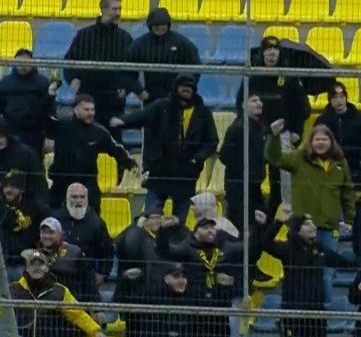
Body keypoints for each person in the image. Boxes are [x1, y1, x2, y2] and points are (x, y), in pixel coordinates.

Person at [263, 206, 352, 337]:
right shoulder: (288, 248)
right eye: (306, 224)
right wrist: (278, 222)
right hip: (292, 315)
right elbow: (265, 243)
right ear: (297, 229)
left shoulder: (319, 248)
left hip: (316, 315)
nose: (312, 226)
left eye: (313, 223)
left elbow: (342, 262)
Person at [266, 119, 354, 301]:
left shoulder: (341, 163)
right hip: (301, 228)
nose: (321, 143)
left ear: (331, 142)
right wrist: (274, 137)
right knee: (298, 273)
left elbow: (347, 192)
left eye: (324, 139)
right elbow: (274, 158)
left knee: (327, 274)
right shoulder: (298, 158)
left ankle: (324, 310)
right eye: (317, 139)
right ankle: (299, 309)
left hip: (330, 227)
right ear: (311, 142)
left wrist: (349, 219)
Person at [113, 74, 218, 222]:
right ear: (176, 88)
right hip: (160, 172)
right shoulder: (161, 106)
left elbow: (212, 141)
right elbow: (141, 116)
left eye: (190, 87)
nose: (187, 90)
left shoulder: (202, 112)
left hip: (186, 175)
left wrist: (197, 159)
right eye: (183, 86)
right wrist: (122, 121)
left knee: (179, 221)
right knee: (150, 216)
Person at [236, 36, 312, 212]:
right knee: (253, 175)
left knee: (282, 179)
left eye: (275, 49)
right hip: (256, 134)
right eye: (268, 50)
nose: (271, 53)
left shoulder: (290, 78)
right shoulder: (252, 76)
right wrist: (246, 128)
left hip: (282, 136)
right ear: (262, 54)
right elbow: (241, 104)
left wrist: (296, 132)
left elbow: (302, 108)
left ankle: (284, 215)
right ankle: (255, 213)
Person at [62, 0, 141, 143]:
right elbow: (70, 61)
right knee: (84, 141)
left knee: (113, 142)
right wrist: (72, 78)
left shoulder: (125, 38)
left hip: (114, 100)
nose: (118, 13)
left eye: (120, 9)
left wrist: (126, 88)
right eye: (114, 9)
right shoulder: (84, 35)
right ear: (103, 9)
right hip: (87, 96)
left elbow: (133, 69)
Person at [46, 94, 137, 211]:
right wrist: (49, 97)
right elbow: (44, 119)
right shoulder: (62, 126)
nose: (90, 113)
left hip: (88, 181)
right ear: (75, 110)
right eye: (86, 109)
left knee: (93, 212)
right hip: (61, 181)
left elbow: (117, 149)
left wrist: (131, 164)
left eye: (92, 109)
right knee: (53, 212)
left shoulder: (99, 132)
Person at [315, 82, 361, 258]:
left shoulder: (359, 119)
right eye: (335, 97)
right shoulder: (323, 121)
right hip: (329, 176)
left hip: (356, 175)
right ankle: (325, 253)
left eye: (342, 97)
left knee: (359, 216)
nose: (339, 101)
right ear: (330, 100)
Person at [0, 48, 58, 154]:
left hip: (35, 132)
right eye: (20, 62)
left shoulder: (43, 83)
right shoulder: (6, 83)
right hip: (11, 131)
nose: (23, 66)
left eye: (26, 62)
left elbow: (50, 110)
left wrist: (51, 136)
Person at [125, 7, 201, 104]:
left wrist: (185, 88)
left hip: (176, 98)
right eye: (156, 25)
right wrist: (139, 90)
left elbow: (195, 67)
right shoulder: (141, 45)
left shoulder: (181, 43)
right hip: (150, 97)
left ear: (168, 24)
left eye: (163, 25)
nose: (160, 28)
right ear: (150, 26)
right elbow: (126, 70)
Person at [219, 93, 267, 232]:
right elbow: (224, 155)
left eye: (260, 100)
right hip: (238, 185)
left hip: (255, 183)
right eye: (254, 100)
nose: (259, 103)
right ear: (243, 105)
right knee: (238, 223)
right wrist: (243, 170)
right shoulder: (238, 127)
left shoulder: (261, 128)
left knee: (257, 223)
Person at [51, 183, 113, 287]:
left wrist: (103, 273)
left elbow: (107, 251)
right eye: (74, 197)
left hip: (85, 278)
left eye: (82, 197)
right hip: (58, 276)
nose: (79, 200)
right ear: (67, 198)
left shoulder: (97, 223)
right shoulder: (55, 219)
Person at [0, 118, 48, 205]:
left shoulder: (25, 154)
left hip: (27, 199)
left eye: (1, 136)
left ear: (8, 136)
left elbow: (38, 182)